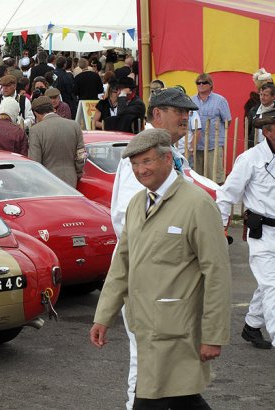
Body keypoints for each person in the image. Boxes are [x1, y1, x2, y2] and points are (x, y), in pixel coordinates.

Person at [90, 128, 231, 410]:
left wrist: (213, 336)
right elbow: (122, 265)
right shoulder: (136, 204)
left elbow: (217, 274)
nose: (140, 170)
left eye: (147, 161)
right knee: (177, 398)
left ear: (168, 160)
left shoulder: (197, 204)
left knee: (161, 398)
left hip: (178, 329)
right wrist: (103, 316)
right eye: (135, 164)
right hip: (145, 326)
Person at [110, 87, 199, 410]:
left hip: (167, 275)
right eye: (180, 112)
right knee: (146, 361)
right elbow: (129, 219)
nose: (187, 117)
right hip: (148, 274)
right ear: (158, 114)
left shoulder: (170, 152)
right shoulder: (145, 155)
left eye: (188, 112)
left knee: (169, 362)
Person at [216, 109, 275, 350]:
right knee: (273, 287)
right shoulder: (250, 159)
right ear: (268, 131)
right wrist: (220, 228)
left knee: (269, 284)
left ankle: (251, 325)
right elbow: (226, 195)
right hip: (261, 233)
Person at [28, 96, 86, 188]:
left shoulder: (36, 130)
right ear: (53, 109)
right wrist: (77, 173)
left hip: (47, 182)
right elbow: (81, 156)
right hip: (71, 179)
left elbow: (35, 161)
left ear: (36, 113)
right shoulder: (74, 125)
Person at [191, 73, 232, 183]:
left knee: (215, 177)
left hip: (213, 144)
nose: (201, 85)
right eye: (198, 83)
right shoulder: (191, 101)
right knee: (197, 177)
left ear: (210, 85)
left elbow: (228, 120)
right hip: (196, 146)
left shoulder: (220, 100)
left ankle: (217, 199)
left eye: (204, 82)